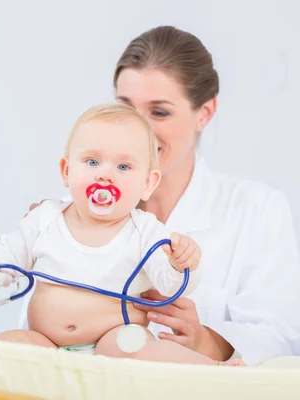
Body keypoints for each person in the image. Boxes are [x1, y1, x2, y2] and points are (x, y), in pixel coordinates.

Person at [24, 26, 300, 367]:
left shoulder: (256, 210)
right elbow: (33, 333)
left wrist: (205, 341)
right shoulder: (71, 211)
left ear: (205, 113)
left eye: (160, 112)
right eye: (126, 107)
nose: (136, 130)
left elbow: (280, 336)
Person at [0, 103, 243, 366]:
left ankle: (213, 373)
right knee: (8, 345)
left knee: (134, 347)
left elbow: (169, 283)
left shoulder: (146, 231)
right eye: (92, 162)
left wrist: (183, 263)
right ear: (66, 171)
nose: (105, 175)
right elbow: (9, 254)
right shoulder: (45, 218)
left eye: (124, 166)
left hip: (113, 346)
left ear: (148, 183)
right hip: (47, 345)